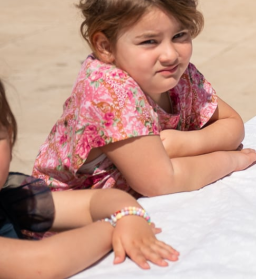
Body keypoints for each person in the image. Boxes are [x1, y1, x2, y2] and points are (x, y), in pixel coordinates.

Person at [33, 0, 256, 195]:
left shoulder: (177, 75)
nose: (170, 54)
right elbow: (162, 182)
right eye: (150, 41)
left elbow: (233, 124)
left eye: (179, 35)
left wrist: (183, 144)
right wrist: (232, 161)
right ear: (105, 46)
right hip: (70, 222)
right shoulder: (108, 90)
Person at [0, 79, 180, 275]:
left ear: (10, 136)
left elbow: (93, 202)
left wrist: (128, 216)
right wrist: (113, 227)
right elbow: (42, 264)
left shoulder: (12, 197)